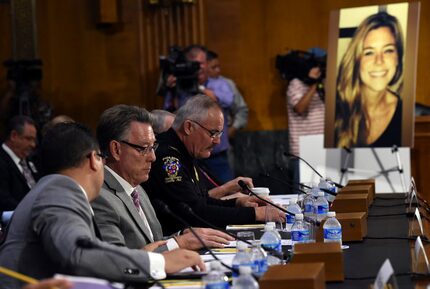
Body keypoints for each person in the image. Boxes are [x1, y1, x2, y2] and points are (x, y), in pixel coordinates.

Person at [0, 122, 204, 289]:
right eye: (101, 157)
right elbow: (78, 254)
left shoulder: (52, 189)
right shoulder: (60, 191)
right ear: (93, 159)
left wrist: (143, 255)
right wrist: (161, 263)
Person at [92, 104, 233, 251]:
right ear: (116, 149)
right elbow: (117, 261)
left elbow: (153, 242)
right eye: (144, 148)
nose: (153, 157)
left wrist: (181, 236)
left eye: (153, 147)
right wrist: (178, 243)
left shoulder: (138, 189)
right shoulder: (100, 198)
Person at [143, 95, 284, 235]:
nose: (217, 141)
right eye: (213, 133)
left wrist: (237, 203)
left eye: (219, 134)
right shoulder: (169, 158)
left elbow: (201, 202)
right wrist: (254, 214)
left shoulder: (183, 151)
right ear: (189, 127)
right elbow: (195, 213)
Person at [334, 11, 404, 148]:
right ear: (356, 60)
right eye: (369, 52)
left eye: (388, 50)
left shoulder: (406, 116)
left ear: (398, 58)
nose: (379, 61)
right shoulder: (336, 108)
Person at [286, 48, 326, 187]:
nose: (318, 70)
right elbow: (300, 108)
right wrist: (315, 84)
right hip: (303, 151)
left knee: (326, 194)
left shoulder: (325, 83)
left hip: (323, 147)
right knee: (304, 195)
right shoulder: (296, 84)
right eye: (316, 66)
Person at [206, 50, 249, 176]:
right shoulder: (192, 86)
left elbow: (242, 110)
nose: (218, 70)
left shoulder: (226, 84)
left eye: (219, 66)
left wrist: (232, 130)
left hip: (222, 146)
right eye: (214, 67)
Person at [0, 115, 39, 213]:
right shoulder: (2, 162)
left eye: (34, 140)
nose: (33, 145)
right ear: (14, 136)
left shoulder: (30, 160)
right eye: (28, 139)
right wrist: (32, 212)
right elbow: (4, 200)